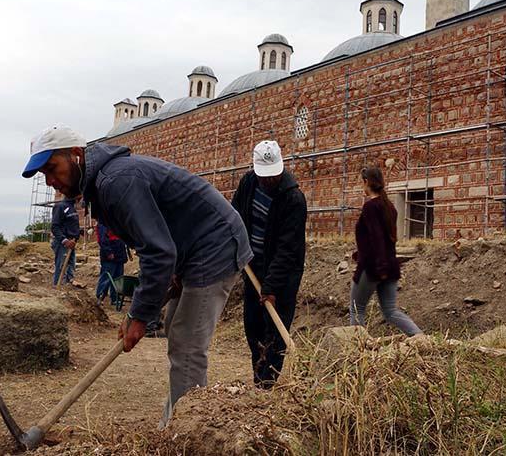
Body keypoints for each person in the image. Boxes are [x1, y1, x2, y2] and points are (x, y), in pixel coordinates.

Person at [21, 124, 252, 428]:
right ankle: (176, 422)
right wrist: (150, 300)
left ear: (76, 155)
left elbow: (159, 252)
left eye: (53, 169)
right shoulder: (103, 185)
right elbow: (155, 241)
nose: (52, 183)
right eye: (44, 177)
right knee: (173, 325)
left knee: (187, 343)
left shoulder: (116, 181)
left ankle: (185, 433)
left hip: (216, 246)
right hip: (193, 249)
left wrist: (140, 315)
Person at [231, 140, 307, 388]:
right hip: (253, 267)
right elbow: (235, 216)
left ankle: (267, 384)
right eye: (264, 176)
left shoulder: (293, 198)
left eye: (273, 176)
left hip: (283, 275)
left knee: (275, 334)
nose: (268, 181)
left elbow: (288, 248)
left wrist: (272, 287)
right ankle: (259, 379)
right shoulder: (248, 183)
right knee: (253, 328)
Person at [349, 166, 422, 336]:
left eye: (362, 182)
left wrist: (378, 268)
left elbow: (377, 238)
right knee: (390, 311)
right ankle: (420, 337)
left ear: (366, 182)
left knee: (356, 309)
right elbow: (383, 238)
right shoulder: (390, 207)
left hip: (373, 268)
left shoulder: (370, 207)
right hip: (391, 266)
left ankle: (356, 349)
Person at [95, 222, 128, 308]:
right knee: (107, 276)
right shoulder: (103, 222)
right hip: (110, 255)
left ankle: (116, 298)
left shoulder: (117, 221)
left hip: (119, 253)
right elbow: (102, 240)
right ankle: (100, 296)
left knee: (118, 278)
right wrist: (108, 252)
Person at [51, 195, 80, 286]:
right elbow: (55, 227)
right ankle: (58, 289)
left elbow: (71, 225)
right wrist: (65, 240)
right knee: (61, 267)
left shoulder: (72, 208)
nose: (80, 199)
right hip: (63, 243)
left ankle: (67, 289)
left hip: (72, 243)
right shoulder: (60, 206)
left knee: (70, 267)